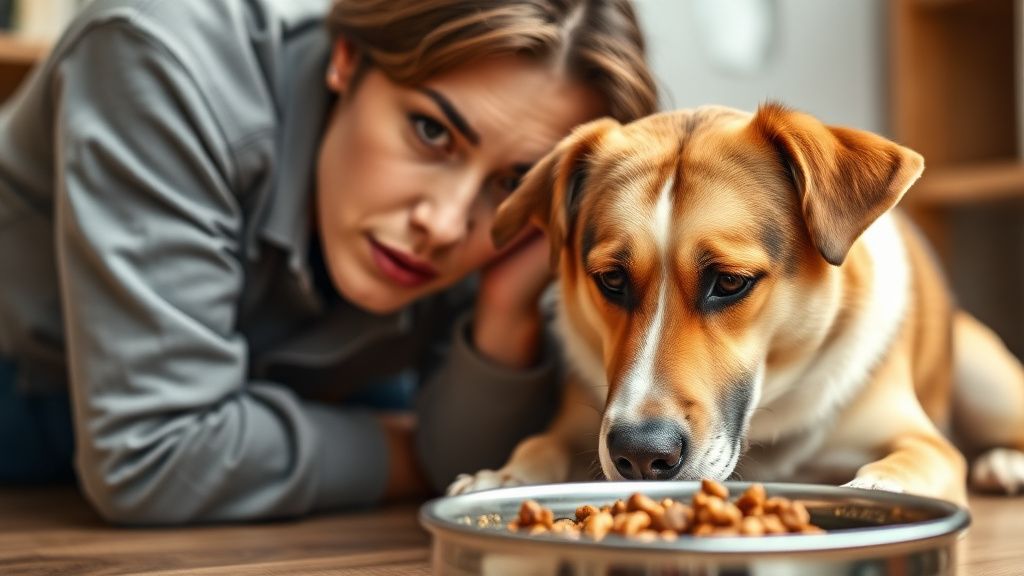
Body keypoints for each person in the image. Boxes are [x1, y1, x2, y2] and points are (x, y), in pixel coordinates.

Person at [0, 0, 658, 524]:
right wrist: (409, 449)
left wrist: (506, 308)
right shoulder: (162, 55)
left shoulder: (502, 233)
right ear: (347, 58)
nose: (444, 224)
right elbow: (152, 456)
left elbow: (467, 471)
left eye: (513, 182)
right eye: (431, 131)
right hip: (29, 388)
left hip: (302, 396)